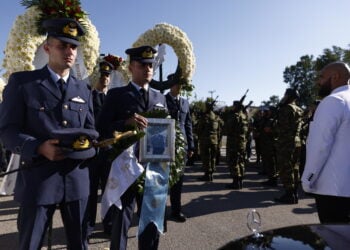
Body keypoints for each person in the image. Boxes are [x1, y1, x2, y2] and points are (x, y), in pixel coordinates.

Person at [0, 18, 96, 249]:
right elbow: (7, 130)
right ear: (47, 48)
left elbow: (92, 130)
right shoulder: (24, 83)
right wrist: (38, 147)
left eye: (73, 46)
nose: (69, 51)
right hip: (38, 180)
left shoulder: (83, 88)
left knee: (78, 244)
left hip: (76, 181)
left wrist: (91, 145)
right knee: (31, 244)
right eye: (62, 45)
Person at [96, 45, 168, 250]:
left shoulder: (159, 98)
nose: (147, 69)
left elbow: (171, 130)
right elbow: (101, 128)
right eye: (142, 65)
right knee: (121, 220)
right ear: (131, 68)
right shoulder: (117, 95)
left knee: (151, 220)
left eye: (150, 65)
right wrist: (124, 123)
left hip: (153, 167)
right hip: (125, 168)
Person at [301, 61, 350, 223]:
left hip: (334, 190)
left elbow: (320, 146)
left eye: (321, 77)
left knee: (336, 240)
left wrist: (308, 180)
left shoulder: (334, 101)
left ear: (335, 76)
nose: (318, 82)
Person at [86, 60, 114, 238]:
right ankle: (87, 227)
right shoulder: (88, 96)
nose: (105, 78)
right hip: (91, 151)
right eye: (102, 74)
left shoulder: (113, 99)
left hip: (109, 151)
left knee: (108, 191)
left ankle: (109, 225)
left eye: (107, 75)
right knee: (89, 193)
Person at [165, 74, 194, 222]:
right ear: (171, 85)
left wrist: (191, 145)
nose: (180, 87)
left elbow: (188, 124)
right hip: (165, 145)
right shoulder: (163, 100)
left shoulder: (185, 102)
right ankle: (159, 211)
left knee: (178, 179)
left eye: (181, 84)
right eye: (177, 84)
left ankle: (176, 211)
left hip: (181, 146)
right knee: (163, 179)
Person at [274, 88, 303, 204]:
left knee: (285, 168)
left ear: (288, 96)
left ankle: (289, 194)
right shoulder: (299, 109)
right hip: (296, 141)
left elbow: (281, 127)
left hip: (286, 142)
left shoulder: (285, 109)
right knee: (295, 168)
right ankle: (295, 193)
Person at [224, 101, 248, 189]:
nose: (232, 108)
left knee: (234, 161)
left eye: (233, 106)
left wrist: (229, 116)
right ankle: (240, 180)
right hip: (242, 142)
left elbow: (227, 129)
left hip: (234, 142)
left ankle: (236, 181)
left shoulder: (234, 116)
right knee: (240, 161)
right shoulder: (244, 116)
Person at [197, 98, 220, 181]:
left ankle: (207, 175)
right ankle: (211, 174)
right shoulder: (216, 117)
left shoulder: (205, 117)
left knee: (206, 158)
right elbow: (219, 130)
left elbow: (199, 129)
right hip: (215, 141)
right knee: (213, 158)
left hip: (205, 140)